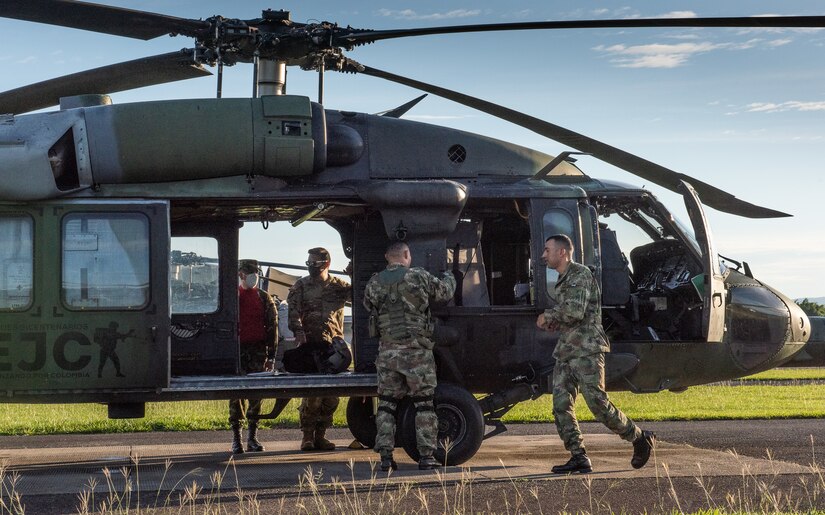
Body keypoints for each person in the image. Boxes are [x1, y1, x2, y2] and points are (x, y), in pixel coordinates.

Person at [536, 234, 655, 474]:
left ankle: (639, 437)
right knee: (561, 405)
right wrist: (555, 324)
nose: (543, 255)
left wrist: (547, 317)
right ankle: (578, 456)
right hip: (567, 350)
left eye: (547, 250)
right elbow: (572, 316)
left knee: (597, 404)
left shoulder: (580, 275)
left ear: (562, 252)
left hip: (587, 350)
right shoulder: (563, 278)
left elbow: (574, 312)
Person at [363, 241, 456, 471]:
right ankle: (426, 457)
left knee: (386, 405)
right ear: (406, 254)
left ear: (387, 256)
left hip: (387, 354)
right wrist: (449, 274)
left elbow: (368, 306)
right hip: (417, 354)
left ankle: (385, 458)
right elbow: (445, 292)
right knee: (424, 405)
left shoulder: (374, 282)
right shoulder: (419, 276)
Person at [287, 247, 351, 452]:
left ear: (326, 264)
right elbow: (293, 310)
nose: (311, 267)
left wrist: (354, 274)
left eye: (314, 263)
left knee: (331, 396)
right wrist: (298, 331)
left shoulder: (339, 286)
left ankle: (321, 435)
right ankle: (307, 436)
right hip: (310, 347)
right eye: (308, 263)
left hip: (333, 348)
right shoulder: (301, 285)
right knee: (313, 395)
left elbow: (362, 295)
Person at [230, 259, 278, 455]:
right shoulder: (232, 297)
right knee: (235, 395)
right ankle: (236, 438)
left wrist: (271, 355)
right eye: (248, 273)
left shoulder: (264, 297)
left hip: (258, 350)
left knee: (256, 394)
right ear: (240, 274)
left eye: (254, 273)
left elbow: (272, 327)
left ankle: (252, 437)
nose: (252, 277)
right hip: (237, 351)